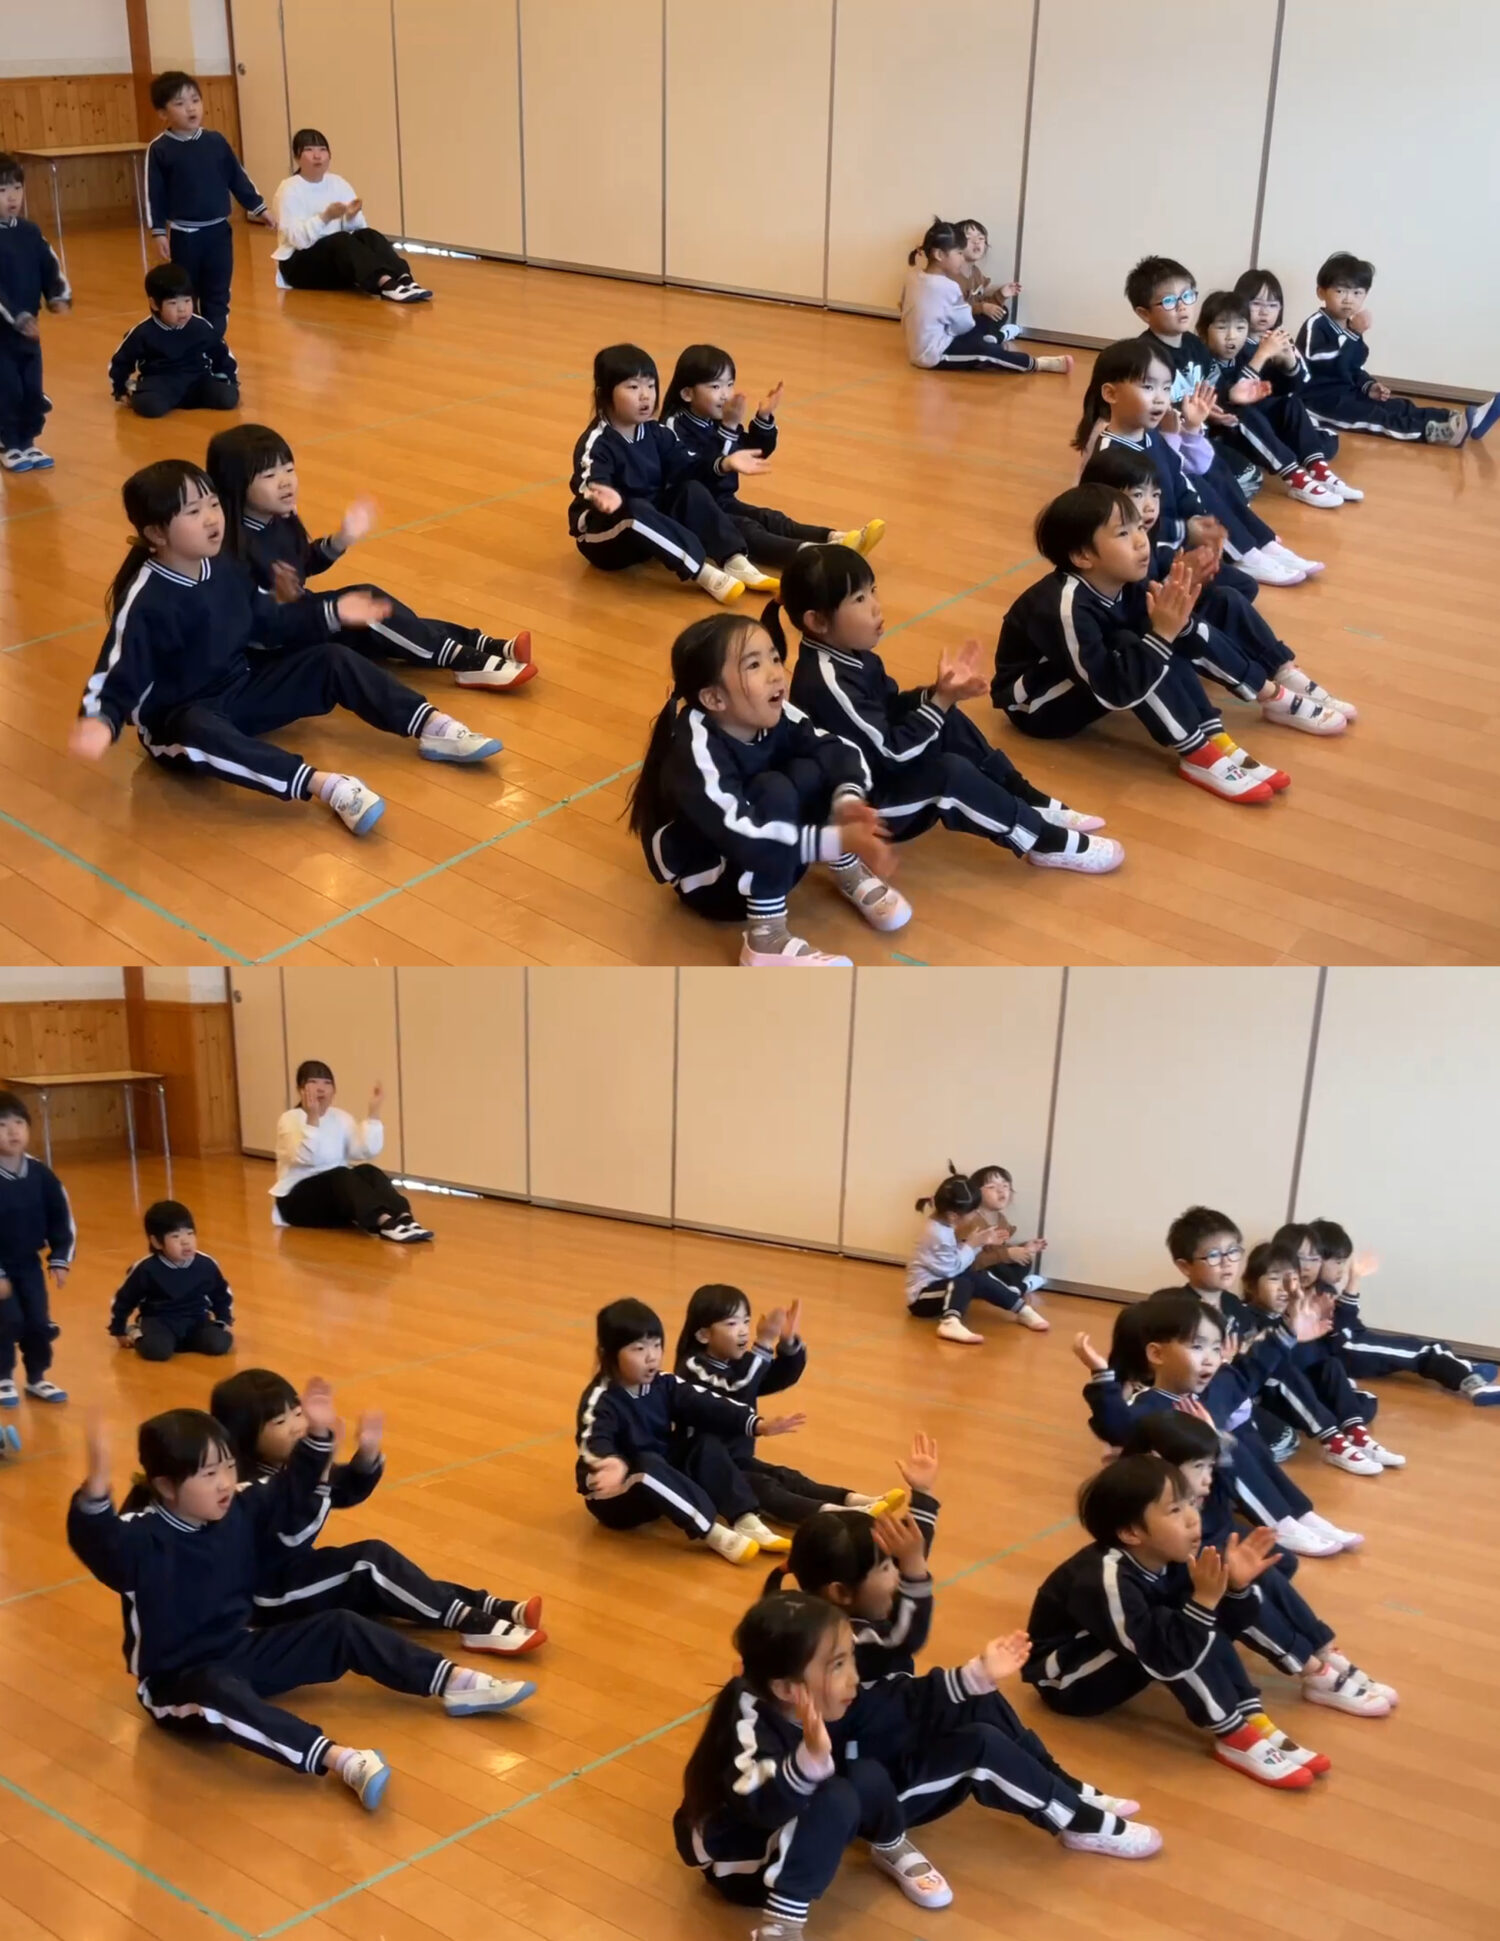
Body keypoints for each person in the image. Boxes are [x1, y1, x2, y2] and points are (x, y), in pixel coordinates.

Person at [66, 1390, 534, 1811]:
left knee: (340, 1626)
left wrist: (318, 1438)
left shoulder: (238, 1507)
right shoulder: (141, 1538)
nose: (225, 1482)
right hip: (176, 1682)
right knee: (218, 1690)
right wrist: (96, 1492)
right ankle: (337, 1758)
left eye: (228, 1467)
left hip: (240, 1649)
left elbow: (288, 1489)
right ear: (167, 1487)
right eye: (208, 1474)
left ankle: (453, 1681)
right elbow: (101, 1543)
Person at [768, 1439, 1157, 1859]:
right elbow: (906, 1636)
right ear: (840, 1592)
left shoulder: (845, 1608)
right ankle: (1076, 1822)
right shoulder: (839, 1642)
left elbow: (908, 1563)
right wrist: (916, 1573)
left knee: (980, 1700)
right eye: (885, 1568)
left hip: (887, 1734)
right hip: (874, 1789)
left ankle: (1061, 1785)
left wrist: (923, 1498)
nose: (898, 1575)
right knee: (981, 1746)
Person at [69, 461, 501, 838]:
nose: (212, 518)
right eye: (193, 512)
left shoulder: (225, 566)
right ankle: (325, 785)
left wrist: (333, 613)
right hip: (180, 720)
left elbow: (271, 620)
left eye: (213, 504)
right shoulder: (146, 601)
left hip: (242, 686)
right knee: (199, 728)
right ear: (155, 533)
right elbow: (118, 670)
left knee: (331, 659)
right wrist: (100, 719)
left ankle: (432, 727)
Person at [771, 545, 1123, 876]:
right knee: (949, 774)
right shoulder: (828, 683)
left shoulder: (849, 653)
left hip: (878, 766)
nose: (876, 606)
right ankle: (1042, 840)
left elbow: (890, 710)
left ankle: (1023, 796)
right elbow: (892, 753)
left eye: (873, 590)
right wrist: (938, 702)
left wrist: (939, 695)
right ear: (817, 621)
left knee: (944, 716)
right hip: (863, 810)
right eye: (859, 599)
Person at [1022, 1455, 1328, 1788]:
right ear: (1131, 1532)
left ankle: (1253, 1718)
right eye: (1174, 1510)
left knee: (1196, 1612)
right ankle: (1234, 1734)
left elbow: (1226, 1626)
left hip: (1125, 1647)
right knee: (1182, 1623)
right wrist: (1203, 1604)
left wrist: (1236, 1589)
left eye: (1191, 1503)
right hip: (1069, 1681)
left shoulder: (1173, 1554)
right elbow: (1162, 1655)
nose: (1193, 1518)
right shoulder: (1104, 1579)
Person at [628, 611, 907, 966]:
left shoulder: (775, 713)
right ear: (714, 699)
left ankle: (847, 867)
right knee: (774, 787)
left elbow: (837, 749)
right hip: (717, 885)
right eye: (754, 665)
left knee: (811, 766)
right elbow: (742, 836)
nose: (776, 673)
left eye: (774, 658)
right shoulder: (694, 751)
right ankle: (766, 938)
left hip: (773, 853)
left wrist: (846, 801)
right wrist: (838, 838)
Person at [211, 1366, 545, 1652]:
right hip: (268, 1595)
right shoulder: (245, 1487)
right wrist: (321, 1469)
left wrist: (366, 1455)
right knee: (369, 1562)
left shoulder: (287, 1467)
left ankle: (486, 1604)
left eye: (299, 1413)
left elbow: (343, 1491)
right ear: (244, 1436)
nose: (298, 1426)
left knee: (389, 1578)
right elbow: (294, 1534)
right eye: (281, 1421)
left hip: (295, 1572)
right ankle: (472, 1623)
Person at [675, 1592, 951, 1933]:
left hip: (786, 1825)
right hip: (742, 1863)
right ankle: (781, 1926)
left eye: (850, 1658)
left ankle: (890, 1844)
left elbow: (898, 1702)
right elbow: (758, 1803)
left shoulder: (813, 1698)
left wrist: (973, 1678)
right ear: (786, 1689)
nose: (853, 1677)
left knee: (865, 1772)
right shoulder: (748, 1723)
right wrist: (807, 1763)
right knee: (836, 1798)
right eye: (837, 1665)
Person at [993, 485, 1281, 803]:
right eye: (1123, 533)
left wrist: (1173, 620)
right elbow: (1112, 691)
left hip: (1089, 677)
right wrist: (1161, 635)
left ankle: (1217, 735)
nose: (1141, 540)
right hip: (1035, 705)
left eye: (1140, 528)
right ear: (1083, 556)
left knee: (1165, 628)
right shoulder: (1064, 606)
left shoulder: (1127, 580)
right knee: (1138, 645)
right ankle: (1198, 753)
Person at [1079, 440, 1356, 767]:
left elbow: (1156, 572)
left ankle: (1283, 671)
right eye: (1137, 495)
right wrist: (1176, 584)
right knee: (1189, 625)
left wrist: (1187, 571)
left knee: (1227, 597)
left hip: (1146, 626)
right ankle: (1268, 695)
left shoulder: (1143, 536)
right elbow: (1134, 613)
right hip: (1122, 654)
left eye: (1155, 494)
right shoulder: (1101, 552)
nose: (1150, 506)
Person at [207, 422, 533, 690]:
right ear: (235, 485)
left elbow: (301, 566)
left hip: (300, 617)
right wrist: (331, 612)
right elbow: (265, 623)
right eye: (269, 476)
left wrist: (341, 539)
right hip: (276, 644)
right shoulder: (231, 549)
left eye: (289, 469)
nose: (285, 482)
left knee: (380, 613)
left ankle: (480, 643)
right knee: (370, 607)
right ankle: (463, 660)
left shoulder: (279, 519)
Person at [1120, 1410, 1397, 1714]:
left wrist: (1216, 1444)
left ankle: (1324, 1650)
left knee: (1266, 1572)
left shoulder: (1192, 1491)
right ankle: (1314, 1672)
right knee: (1237, 1589)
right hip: (1174, 1612)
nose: (1208, 1478)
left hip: (1199, 1569)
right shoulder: (1143, 1511)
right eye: (1199, 1467)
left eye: (1210, 1466)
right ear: (1158, 1462)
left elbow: (1226, 1489)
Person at [1074, 1288, 1362, 1556]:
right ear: (1157, 1354)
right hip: (1182, 1502)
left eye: (1215, 1348)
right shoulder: (1148, 1405)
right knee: (1225, 1444)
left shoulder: (1214, 1390)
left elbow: (1251, 1367)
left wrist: (1289, 1330)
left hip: (1215, 1491)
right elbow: (1115, 1426)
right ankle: (1279, 1523)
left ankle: (1301, 1514)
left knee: (1244, 1439)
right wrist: (1102, 1377)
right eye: (1197, 1347)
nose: (1210, 1359)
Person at [1125, 256, 1323, 584]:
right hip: (1163, 449)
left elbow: (1210, 392)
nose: (1183, 307)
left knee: (1220, 474)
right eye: (1169, 301)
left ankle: (1264, 542)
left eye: (1188, 296)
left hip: (1192, 440)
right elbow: (1147, 410)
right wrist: (1184, 413)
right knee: (1200, 487)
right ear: (1144, 313)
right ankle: (1243, 553)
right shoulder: (1144, 354)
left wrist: (1226, 398)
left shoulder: (1194, 345)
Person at [1166, 1204, 1397, 1474]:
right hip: (1221, 1396)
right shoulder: (1180, 1309)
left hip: (1247, 1385)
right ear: (1184, 1266)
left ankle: (1355, 1434)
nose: (1227, 1262)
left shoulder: (1232, 1305)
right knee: (1282, 1407)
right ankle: (1333, 1441)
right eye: (1214, 1255)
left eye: (1233, 1251)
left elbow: (1256, 1353)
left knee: (1328, 1368)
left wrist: (1296, 1334)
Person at [575, 1297, 806, 1565]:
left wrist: (757, 1424)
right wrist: (609, 1462)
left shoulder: (664, 1383)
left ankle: (745, 1518)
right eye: (639, 1349)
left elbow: (708, 1403)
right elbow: (592, 1438)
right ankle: (712, 1532)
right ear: (608, 1354)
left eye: (657, 1345)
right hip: (615, 1497)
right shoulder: (600, 1399)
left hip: (660, 1482)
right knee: (647, 1466)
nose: (652, 1356)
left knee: (703, 1442)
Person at [673, 1285, 899, 1532]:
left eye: (746, 1321)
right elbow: (737, 1386)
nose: (743, 1331)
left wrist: (788, 1345)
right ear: (703, 1335)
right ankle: (839, 1514)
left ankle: (854, 1499)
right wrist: (763, 1343)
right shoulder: (693, 1367)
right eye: (731, 1324)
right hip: (702, 1467)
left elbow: (773, 1378)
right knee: (764, 1488)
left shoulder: (734, 1364)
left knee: (785, 1476)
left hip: (736, 1458)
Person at [660, 344, 883, 585]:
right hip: (693, 510)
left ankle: (836, 538)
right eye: (715, 386)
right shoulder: (673, 426)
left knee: (770, 518)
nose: (725, 394)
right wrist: (728, 429)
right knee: (747, 528)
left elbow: (752, 452)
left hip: (721, 500)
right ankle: (816, 555)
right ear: (687, 393)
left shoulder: (715, 419)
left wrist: (763, 417)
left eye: (729, 384)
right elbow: (697, 473)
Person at [570, 343, 769, 604]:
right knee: (633, 509)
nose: (645, 396)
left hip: (652, 533)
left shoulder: (656, 433)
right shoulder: (597, 442)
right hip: (606, 539)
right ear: (604, 394)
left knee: (690, 489)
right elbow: (588, 482)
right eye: (633, 387)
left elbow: (688, 466)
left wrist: (725, 463)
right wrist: (601, 494)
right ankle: (702, 572)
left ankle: (734, 559)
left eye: (651, 386)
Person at [1295, 253, 1496, 447]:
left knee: (1398, 405)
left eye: (1357, 293)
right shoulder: (1317, 324)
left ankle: (1460, 420)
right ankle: (1437, 433)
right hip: (1320, 401)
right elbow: (1322, 361)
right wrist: (1353, 333)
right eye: (1340, 291)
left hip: (1349, 392)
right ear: (1321, 292)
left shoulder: (1350, 326)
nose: (1348, 299)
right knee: (1376, 417)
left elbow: (1354, 367)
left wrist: (1368, 386)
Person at [1296, 1218, 1500, 1406]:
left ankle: (1463, 1367)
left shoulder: (1323, 1288)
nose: (1342, 1268)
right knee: (1423, 1352)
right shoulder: (1316, 1292)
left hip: (1353, 1342)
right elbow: (1342, 1328)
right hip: (1349, 1349)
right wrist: (1354, 1281)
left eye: (1344, 1261)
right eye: (1337, 1262)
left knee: (1420, 1347)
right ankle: (1473, 1384)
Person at [145, 71, 274, 336]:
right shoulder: (160, 149)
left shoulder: (216, 142)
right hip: (185, 236)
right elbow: (154, 194)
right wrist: (158, 231)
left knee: (218, 292)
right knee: (186, 294)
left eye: (195, 100)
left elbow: (237, 177)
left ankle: (214, 343)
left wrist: (259, 207)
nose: (190, 108)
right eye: (180, 103)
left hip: (219, 233)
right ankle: (189, 344)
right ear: (163, 113)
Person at [1195, 289, 1343, 508]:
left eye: (1240, 328)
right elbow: (1230, 398)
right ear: (1203, 331)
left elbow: (1287, 389)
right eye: (1222, 327)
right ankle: (1295, 478)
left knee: (1289, 402)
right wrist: (1261, 356)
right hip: (1220, 434)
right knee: (1242, 411)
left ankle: (1318, 468)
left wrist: (1287, 361)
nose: (1231, 336)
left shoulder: (1243, 354)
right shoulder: (1202, 359)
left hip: (1253, 433)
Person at [273, 1060, 427, 1238]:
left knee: (368, 1171)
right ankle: (383, 1222)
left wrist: (373, 1113)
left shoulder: (341, 1117)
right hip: (298, 1203)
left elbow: (363, 1152)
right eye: (313, 1082)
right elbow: (307, 1158)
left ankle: (404, 1217)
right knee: (341, 1174)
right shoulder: (290, 1119)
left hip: (337, 1197)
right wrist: (313, 1117)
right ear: (301, 1089)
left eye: (327, 1083)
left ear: (334, 1090)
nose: (320, 1088)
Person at [272, 128, 429, 301]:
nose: (317, 156)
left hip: (335, 260)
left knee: (369, 235)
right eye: (309, 150)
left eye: (322, 150)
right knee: (340, 240)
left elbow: (358, 231)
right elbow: (297, 240)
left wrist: (352, 216)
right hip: (299, 266)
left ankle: (404, 279)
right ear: (297, 157)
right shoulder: (289, 189)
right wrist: (325, 217)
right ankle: (385, 284)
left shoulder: (338, 183)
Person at [901, 220, 1070, 376]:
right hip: (934, 354)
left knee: (989, 320)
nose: (961, 257)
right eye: (959, 253)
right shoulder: (948, 286)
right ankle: (1036, 363)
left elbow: (903, 308)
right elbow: (965, 324)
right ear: (939, 254)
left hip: (933, 341)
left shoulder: (913, 277)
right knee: (985, 353)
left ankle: (993, 338)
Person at [905, 1171, 1048, 1344]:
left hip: (944, 1282)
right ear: (953, 1215)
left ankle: (1022, 1310)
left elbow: (955, 1258)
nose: (975, 1214)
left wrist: (980, 1243)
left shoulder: (945, 1225)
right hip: (922, 1299)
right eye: (973, 1212)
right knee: (962, 1282)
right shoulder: (936, 1234)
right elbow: (951, 1270)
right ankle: (950, 1323)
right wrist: (973, 1245)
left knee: (979, 1277)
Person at [0, 1089, 74, 1407]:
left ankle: (37, 1377)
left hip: (29, 1265)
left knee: (38, 1321)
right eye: (2, 1125)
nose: (12, 1131)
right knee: (7, 1320)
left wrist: (59, 1259)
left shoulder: (41, 1175)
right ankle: (3, 1378)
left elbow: (62, 1218)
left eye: (18, 1122)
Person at [0, 151, 71, 471]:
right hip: (4, 332)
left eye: (16, 188)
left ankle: (28, 441)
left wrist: (58, 294)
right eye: (2, 190)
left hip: (29, 332)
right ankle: (9, 442)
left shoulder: (29, 232)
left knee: (32, 387)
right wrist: (17, 317)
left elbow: (48, 265)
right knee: (8, 388)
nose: (12, 197)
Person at [108, 262, 239, 417]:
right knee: (150, 406)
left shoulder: (201, 326)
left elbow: (221, 354)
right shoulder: (142, 332)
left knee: (228, 397)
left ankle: (189, 399)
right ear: (154, 304)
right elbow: (121, 362)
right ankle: (143, 393)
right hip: (161, 383)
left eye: (187, 301)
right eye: (173, 303)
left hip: (198, 380)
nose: (182, 309)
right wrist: (120, 389)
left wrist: (230, 379)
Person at [108, 1199, 233, 1361]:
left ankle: (187, 1341)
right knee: (156, 1350)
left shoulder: (206, 1264)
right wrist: (118, 1330)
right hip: (159, 1321)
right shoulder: (146, 1268)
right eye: (175, 1236)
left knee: (219, 1344)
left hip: (196, 1319)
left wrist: (224, 1320)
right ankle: (136, 1331)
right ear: (156, 1242)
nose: (186, 1241)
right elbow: (124, 1300)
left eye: (190, 1233)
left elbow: (222, 1295)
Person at [965, 1162, 1049, 1302]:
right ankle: (1022, 1287)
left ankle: (1011, 1288)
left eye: (1005, 1186)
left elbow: (1002, 1249)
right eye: (992, 1187)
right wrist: (1007, 1254)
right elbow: (969, 1261)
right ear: (976, 1193)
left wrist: (1024, 1248)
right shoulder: (970, 1220)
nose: (1001, 1191)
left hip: (997, 1266)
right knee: (996, 1268)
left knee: (1025, 1260)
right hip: (978, 1270)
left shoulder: (1001, 1219)